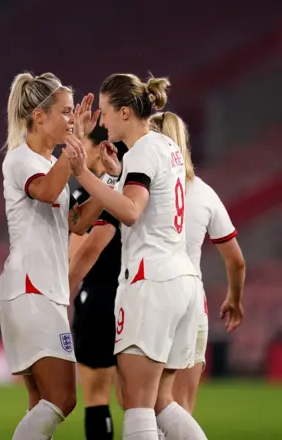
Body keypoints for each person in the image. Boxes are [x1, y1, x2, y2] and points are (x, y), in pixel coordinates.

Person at [68, 73, 207, 440]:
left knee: (138, 402)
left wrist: (84, 172)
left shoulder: (143, 150)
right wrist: (114, 175)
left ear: (126, 112)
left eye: (106, 111)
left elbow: (131, 211)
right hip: (182, 280)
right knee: (163, 403)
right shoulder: (165, 145)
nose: (101, 119)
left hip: (151, 282)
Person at [0, 72, 120, 440]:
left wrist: (109, 181)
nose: (71, 119)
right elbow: (48, 190)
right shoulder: (21, 160)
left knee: (41, 403)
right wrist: (76, 146)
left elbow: (78, 223)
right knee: (63, 398)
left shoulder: (49, 163)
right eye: (65, 112)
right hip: (30, 289)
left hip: (41, 290)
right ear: (38, 117)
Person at [149, 111, 245, 414]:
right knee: (181, 407)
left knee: (141, 406)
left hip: (150, 298)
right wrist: (235, 300)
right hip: (192, 302)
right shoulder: (204, 193)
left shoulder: (139, 191)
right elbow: (236, 261)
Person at [68, 124, 128, 440]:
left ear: (100, 149)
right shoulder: (130, 191)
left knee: (96, 395)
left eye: (86, 146)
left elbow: (81, 251)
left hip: (98, 298)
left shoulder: (86, 197)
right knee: (137, 399)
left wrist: (63, 289)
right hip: (132, 294)